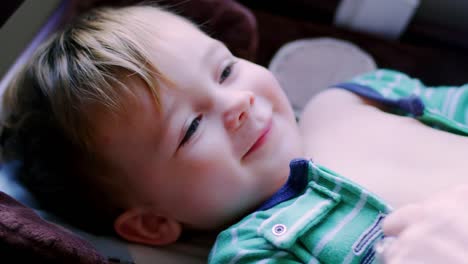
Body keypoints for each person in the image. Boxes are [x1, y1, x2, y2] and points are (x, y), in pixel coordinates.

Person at [2, 3, 468, 263]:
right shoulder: (257, 249)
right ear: (152, 223)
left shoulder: (352, 100)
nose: (237, 104)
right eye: (191, 127)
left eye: (224, 70)